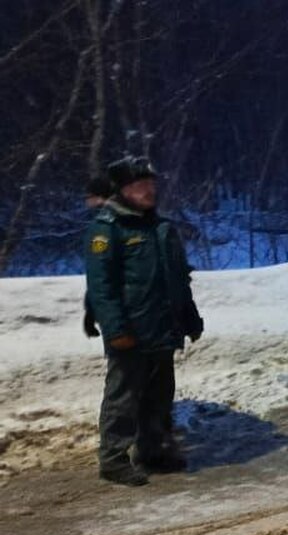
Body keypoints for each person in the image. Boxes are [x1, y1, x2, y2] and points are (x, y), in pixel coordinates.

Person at [84, 156, 203, 486]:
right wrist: (115, 328)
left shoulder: (161, 228)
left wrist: (190, 317)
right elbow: (101, 286)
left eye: (151, 184)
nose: (149, 191)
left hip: (162, 327)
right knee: (123, 396)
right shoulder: (107, 230)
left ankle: (154, 451)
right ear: (123, 190)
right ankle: (113, 459)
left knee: (159, 395)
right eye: (140, 186)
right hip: (130, 330)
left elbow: (178, 278)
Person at [82, 175, 114, 339]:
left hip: (116, 315)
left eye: (89, 197)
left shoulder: (104, 226)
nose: (86, 202)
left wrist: (91, 310)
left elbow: (99, 273)